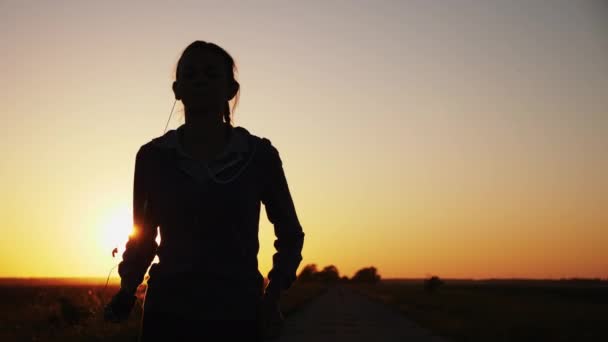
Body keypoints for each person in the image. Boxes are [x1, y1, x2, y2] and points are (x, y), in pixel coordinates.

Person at [103, 40, 305, 341]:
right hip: (167, 315)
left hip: (237, 314)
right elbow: (143, 234)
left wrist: (273, 296)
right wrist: (127, 290)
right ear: (177, 89)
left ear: (231, 90)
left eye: (211, 74)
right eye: (190, 74)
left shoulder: (258, 156)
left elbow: (290, 234)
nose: (199, 80)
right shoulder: (152, 157)